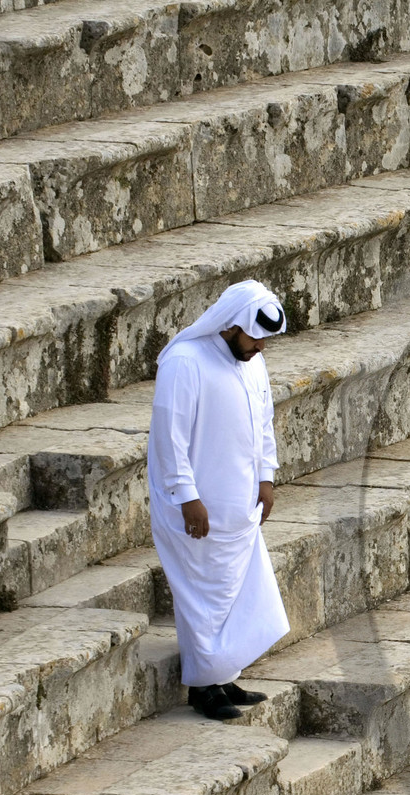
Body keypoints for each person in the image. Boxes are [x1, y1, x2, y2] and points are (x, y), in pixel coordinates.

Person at [148, 280, 291, 720]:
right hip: (198, 508)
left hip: (239, 507)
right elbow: (169, 438)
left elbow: (263, 422)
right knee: (201, 596)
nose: (260, 347)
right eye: (255, 338)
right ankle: (202, 690)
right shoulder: (184, 363)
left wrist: (266, 478)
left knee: (233, 593)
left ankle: (224, 674)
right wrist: (187, 497)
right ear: (231, 327)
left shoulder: (252, 363)